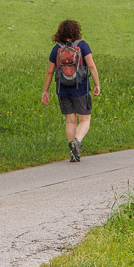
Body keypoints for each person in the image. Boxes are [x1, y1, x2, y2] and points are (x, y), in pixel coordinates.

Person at [41, 19, 101, 162]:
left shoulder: (56, 49)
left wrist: (45, 90)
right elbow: (91, 66)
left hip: (62, 89)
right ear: (76, 31)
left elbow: (50, 72)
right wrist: (97, 83)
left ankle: (72, 151)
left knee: (70, 121)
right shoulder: (83, 46)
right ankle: (78, 141)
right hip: (80, 87)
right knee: (85, 118)